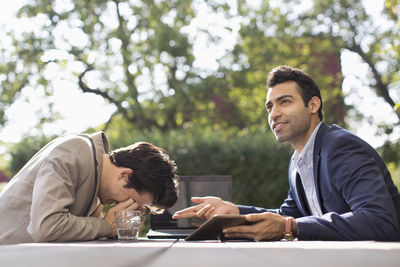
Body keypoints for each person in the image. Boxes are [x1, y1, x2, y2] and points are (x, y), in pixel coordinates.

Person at [173, 65, 400, 241]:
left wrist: (290, 226)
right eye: (270, 107)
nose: (274, 114)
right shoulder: (297, 163)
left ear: (312, 106)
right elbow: (287, 214)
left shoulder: (341, 148)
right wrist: (235, 211)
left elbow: (380, 221)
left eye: (285, 102)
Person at [0, 131, 178, 244]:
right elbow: (45, 227)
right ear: (125, 175)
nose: (131, 208)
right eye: (133, 201)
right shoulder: (72, 152)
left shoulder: (96, 186)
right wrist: (106, 226)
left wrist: (112, 232)